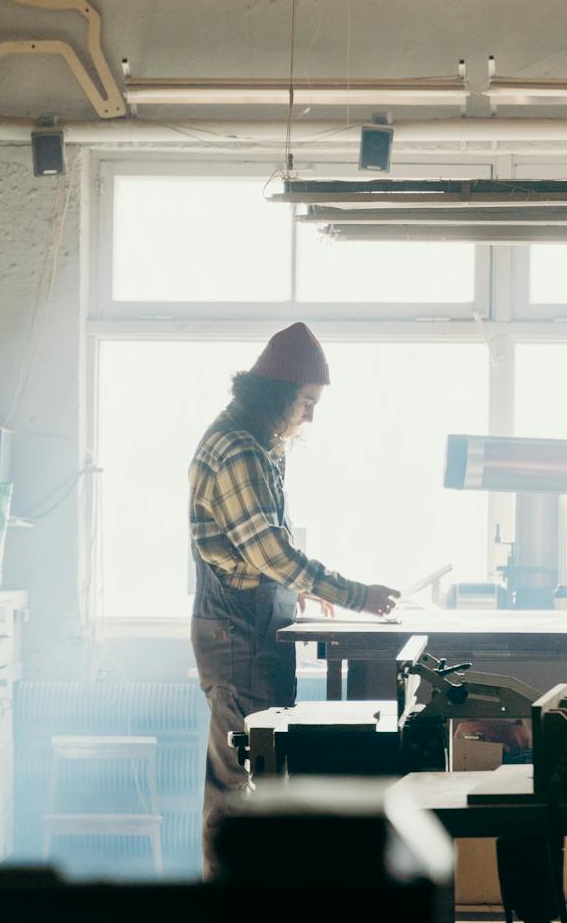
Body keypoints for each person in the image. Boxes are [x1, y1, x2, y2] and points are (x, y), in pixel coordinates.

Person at [188, 322, 400, 871]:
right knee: (243, 785)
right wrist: (357, 595)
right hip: (238, 634)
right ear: (278, 396)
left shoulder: (256, 442)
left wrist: (298, 588)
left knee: (257, 774)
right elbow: (272, 555)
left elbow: (262, 552)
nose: (310, 415)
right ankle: (232, 908)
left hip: (248, 626)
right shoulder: (239, 449)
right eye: (306, 402)